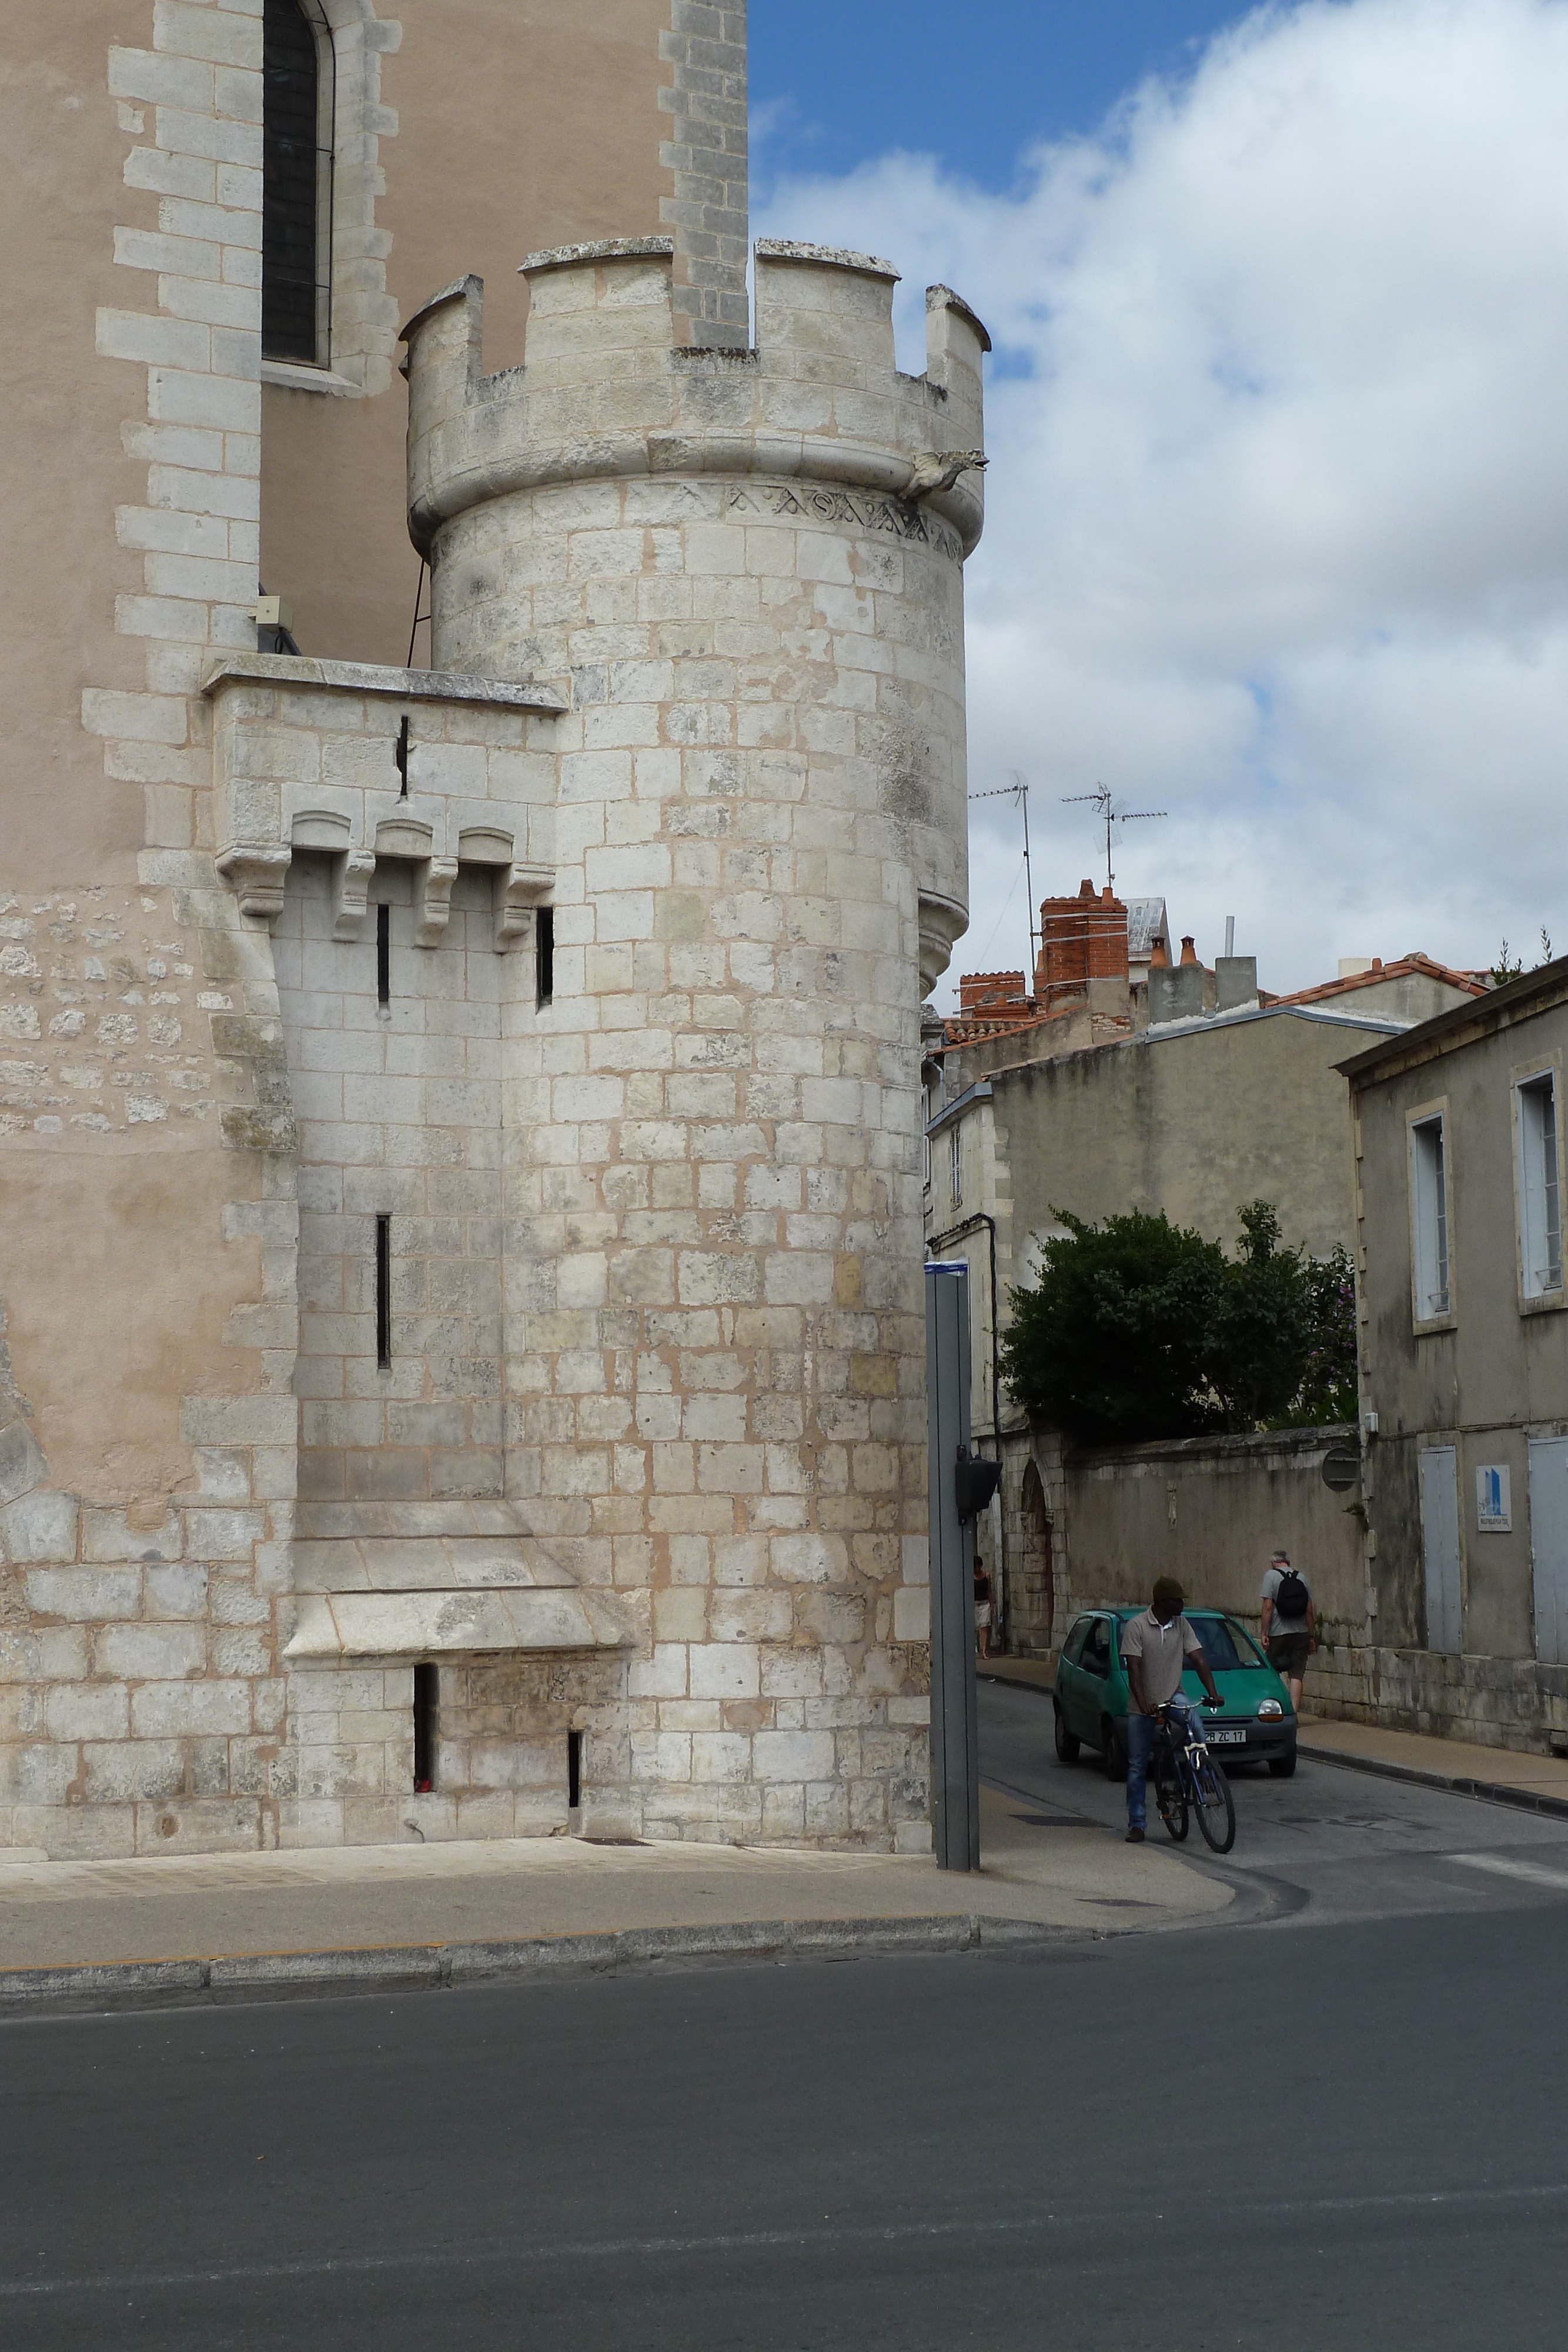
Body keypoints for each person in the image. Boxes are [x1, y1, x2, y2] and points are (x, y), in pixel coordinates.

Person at [1119, 1576, 1221, 1843]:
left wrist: (1212, 1692)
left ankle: (1201, 1779)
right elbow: (1134, 1668)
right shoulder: (1137, 1626)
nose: (1182, 1604)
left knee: (1196, 1726)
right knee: (1137, 1766)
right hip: (1143, 1704)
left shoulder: (1182, 1625)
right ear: (1163, 1602)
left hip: (1173, 1695)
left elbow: (1198, 1658)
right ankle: (1137, 1824)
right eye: (1178, 1600)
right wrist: (1143, 1703)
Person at [1260, 1548, 1315, 1712]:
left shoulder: (1271, 1576)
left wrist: (1264, 1633)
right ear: (1288, 1562)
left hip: (1278, 1632)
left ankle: (1274, 1710)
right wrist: (1311, 1636)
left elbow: (1268, 1607)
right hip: (1301, 1633)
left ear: (1273, 1563)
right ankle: (1293, 1714)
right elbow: (1310, 1611)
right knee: (1297, 1675)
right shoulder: (1302, 1577)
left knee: (1271, 1671)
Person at [973, 1554, 992, 1658]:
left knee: (985, 1627)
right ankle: (975, 1648)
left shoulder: (986, 1576)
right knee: (975, 1627)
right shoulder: (970, 1577)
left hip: (985, 1603)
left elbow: (989, 1591)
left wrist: (992, 1604)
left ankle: (984, 1651)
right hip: (974, 1604)